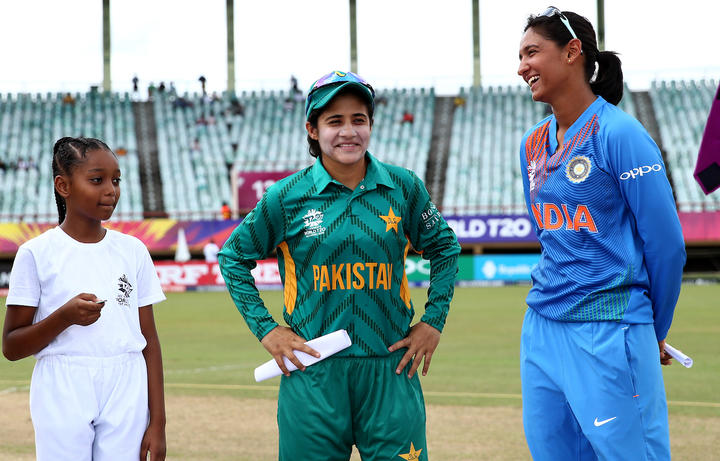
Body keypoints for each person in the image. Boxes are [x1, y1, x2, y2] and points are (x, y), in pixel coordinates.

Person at [218, 70, 460, 461]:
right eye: (335, 121)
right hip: (313, 375)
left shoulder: (403, 187)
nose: (348, 132)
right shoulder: (286, 196)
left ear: (370, 125)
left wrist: (433, 321)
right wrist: (267, 330)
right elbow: (232, 257)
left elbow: (446, 248)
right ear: (313, 130)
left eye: (358, 120)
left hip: (390, 371)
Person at [516, 7, 685, 460]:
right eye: (520, 57)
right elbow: (550, 238)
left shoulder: (621, 133)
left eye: (532, 52)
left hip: (610, 327)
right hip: (542, 329)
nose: (522, 67)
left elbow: (667, 246)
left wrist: (653, 330)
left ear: (572, 51)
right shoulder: (531, 144)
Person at [2, 137, 167, 461]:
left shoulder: (133, 251)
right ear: (63, 186)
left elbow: (149, 339)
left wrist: (158, 422)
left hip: (126, 382)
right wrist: (63, 317)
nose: (111, 190)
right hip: (62, 384)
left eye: (116, 180)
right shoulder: (36, 253)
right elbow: (11, 346)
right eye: (97, 180)